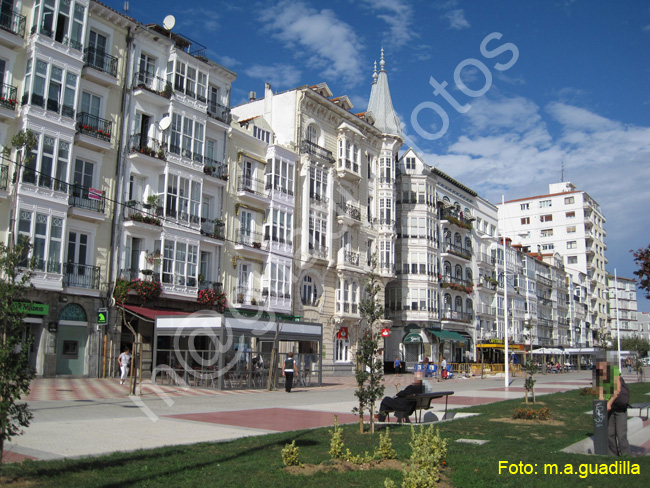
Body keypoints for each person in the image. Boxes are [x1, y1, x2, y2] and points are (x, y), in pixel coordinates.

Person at [596, 360, 631, 456]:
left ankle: (626, 456)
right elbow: (600, 387)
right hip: (609, 408)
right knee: (610, 433)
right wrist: (601, 397)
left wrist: (609, 403)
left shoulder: (614, 371)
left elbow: (617, 390)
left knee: (621, 435)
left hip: (619, 406)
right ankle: (613, 456)